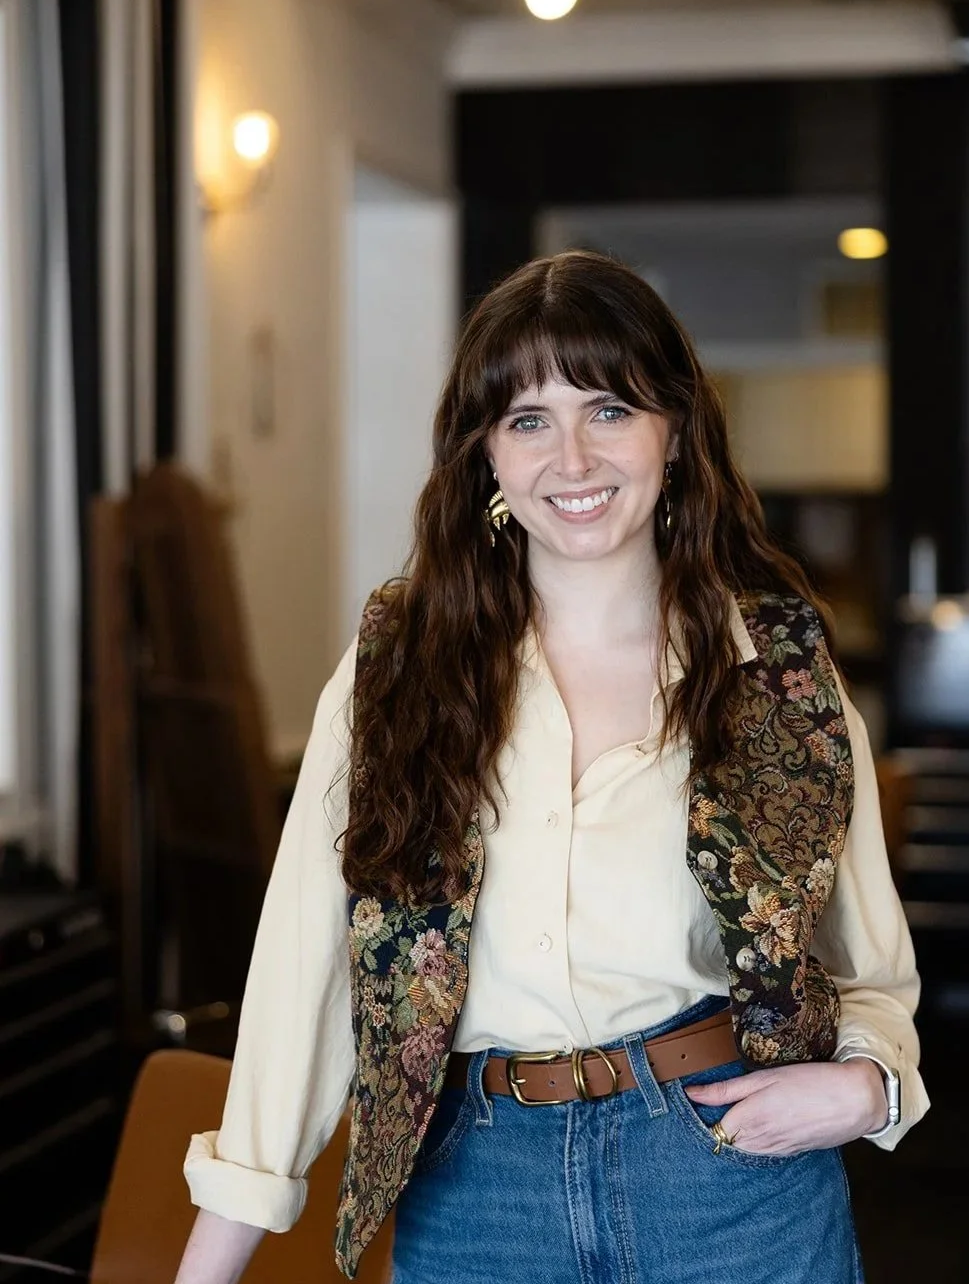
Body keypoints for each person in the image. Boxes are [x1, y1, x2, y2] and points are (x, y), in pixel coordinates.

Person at [176, 250, 929, 1284]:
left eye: (608, 410)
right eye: (528, 419)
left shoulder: (778, 667)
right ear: (487, 450)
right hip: (477, 1190)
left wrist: (869, 1086)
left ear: (674, 431)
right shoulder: (400, 666)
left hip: (727, 1179)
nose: (571, 459)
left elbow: (869, 969)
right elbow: (301, 968)